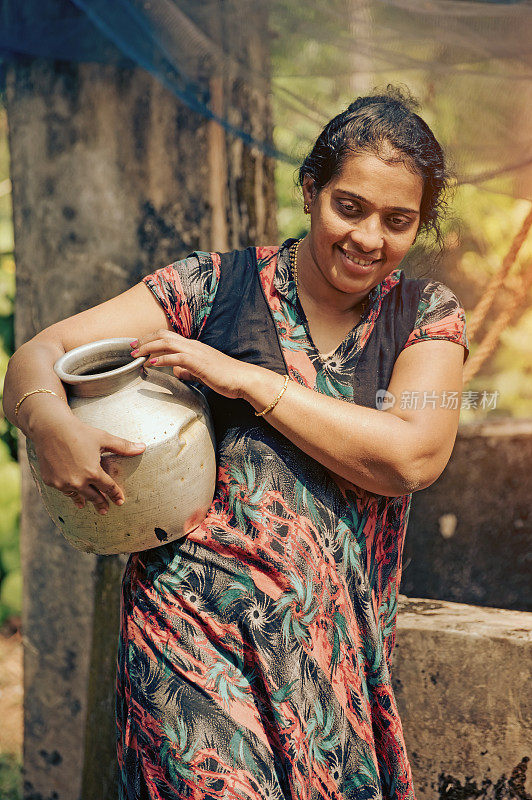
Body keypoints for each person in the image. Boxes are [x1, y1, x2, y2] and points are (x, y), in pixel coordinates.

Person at [4, 85, 469, 799]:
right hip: (188, 635)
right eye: (350, 206)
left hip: (328, 657)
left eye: (397, 220)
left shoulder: (425, 317)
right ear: (312, 190)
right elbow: (38, 354)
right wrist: (50, 426)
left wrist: (250, 382)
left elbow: (412, 454)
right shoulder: (213, 288)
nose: (369, 238)